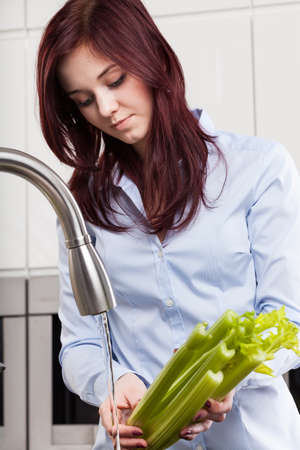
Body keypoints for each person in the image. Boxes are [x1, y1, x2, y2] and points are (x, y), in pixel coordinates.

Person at [36, 0, 300, 449]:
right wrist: (112, 382)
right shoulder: (82, 201)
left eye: (115, 80)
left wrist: (229, 378)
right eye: (84, 100)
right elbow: (80, 344)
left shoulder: (259, 169)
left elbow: (288, 321)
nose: (106, 108)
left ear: (153, 58)